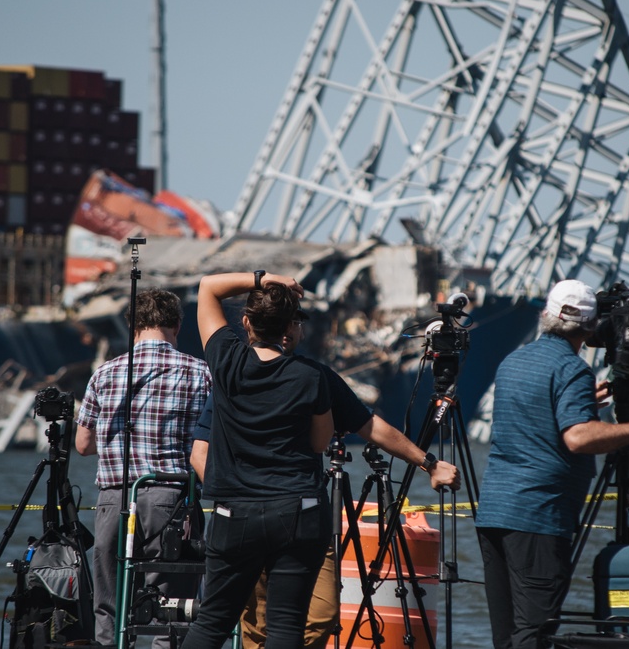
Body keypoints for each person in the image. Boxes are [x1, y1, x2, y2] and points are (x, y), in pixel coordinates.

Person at [189, 307, 461, 649]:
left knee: (316, 616)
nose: (292, 330)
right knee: (262, 628)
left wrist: (428, 462)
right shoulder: (257, 377)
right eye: (288, 322)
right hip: (276, 512)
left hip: (263, 518)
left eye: (297, 322)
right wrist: (240, 490)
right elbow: (201, 453)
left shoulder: (304, 375)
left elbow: (371, 425)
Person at [475, 279, 629, 649]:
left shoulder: (513, 362)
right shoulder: (572, 370)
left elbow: (536, 414)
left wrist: (583, 401)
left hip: (495, 513)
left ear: (546, 315)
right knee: (534, 631)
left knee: (506, 635)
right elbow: (576, 438)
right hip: (537, 516)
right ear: (589, 329)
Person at [180, 271, 336, 649]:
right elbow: (320, 443)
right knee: (285, 627)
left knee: (212, 624)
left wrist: (263, 277)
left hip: (235, 515)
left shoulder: (225, 361)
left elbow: (208, 287)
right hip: (297, 511)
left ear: (247, 322)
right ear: (290, 328)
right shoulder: (311, 376)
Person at [75, 288, 212, 648]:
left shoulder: (105, 373)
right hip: (173, 502)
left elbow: (83, 444)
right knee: (170, 612)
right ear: (178, 325)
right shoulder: (201, 373)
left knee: (109, 606)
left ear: (132, 326)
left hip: (114, 500)